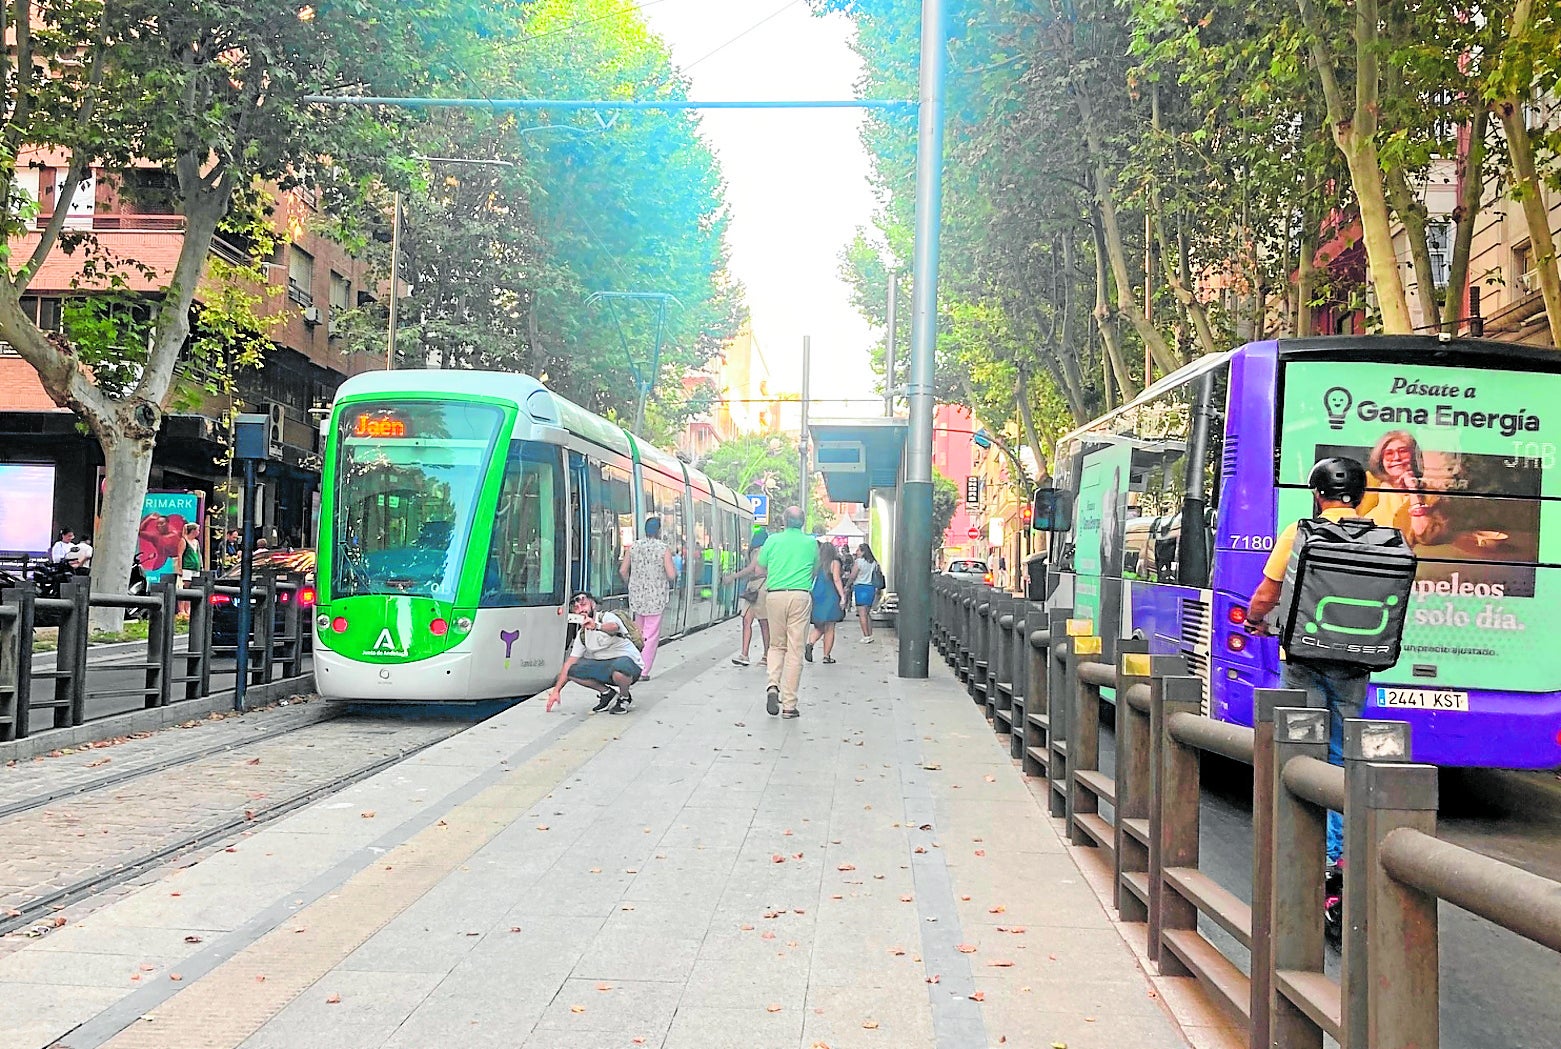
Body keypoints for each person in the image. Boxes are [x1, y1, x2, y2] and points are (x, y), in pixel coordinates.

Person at [1245, 457, 1373, 874]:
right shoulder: (1383, 538)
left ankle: (1301, 846)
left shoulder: (1300, 533)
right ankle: (1337, 853)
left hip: (1303, 657)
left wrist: (1255, 621)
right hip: (1355, 662)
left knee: (1299, 746)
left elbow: (1267, 593)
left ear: (1318, 495)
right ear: (1361, 496)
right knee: (1343, 753)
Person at [756, 505, 817, 718]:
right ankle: (789, 705)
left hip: (775, 595)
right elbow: (814, 570)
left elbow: (759, 568)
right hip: (800, 596)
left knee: (776, 645)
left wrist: (777, 572)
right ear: (803, 522)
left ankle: (773, 684)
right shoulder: (811, 543)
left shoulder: (772, 541)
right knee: (795, 650)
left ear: (784, 521)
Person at [545, 591, 643, 715]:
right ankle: (607, 694)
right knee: (572, 670)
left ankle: (625, 697)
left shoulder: (606, 617)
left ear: (593, 605)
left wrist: (596, 626)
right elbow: (570, 662)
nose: (581, 610)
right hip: (606, 668)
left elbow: (614, 627)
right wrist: (556, 691)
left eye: (583, 605)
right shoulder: (582, 634)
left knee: (621, 666)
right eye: (576, 608)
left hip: (629, 666)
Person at [1362, 430, 1445, 544]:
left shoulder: (1431, 495)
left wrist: (1412, 489)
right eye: (1389, 453)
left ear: (1414, 457)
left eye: (1403, 451)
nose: (1396, 457)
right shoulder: (1369, 485)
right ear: (1381, 460)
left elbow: (1424, 535)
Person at [620, 516, 675, 679]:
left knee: (638, 632)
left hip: (637, 596)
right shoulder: (663, 549)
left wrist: (631, 583)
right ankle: (643, 670)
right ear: (658, 531)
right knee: (651, 635)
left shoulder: (634, 547)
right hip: (656, 598)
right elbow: (671, 574)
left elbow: (623, 570)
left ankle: (633, 664)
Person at [727, 530, 771, 667]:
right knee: (749, 620)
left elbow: (751, 568)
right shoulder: (758, 551)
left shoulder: (761, 550)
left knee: (762, 622)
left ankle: (766, 655)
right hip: (753, 587)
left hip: (761, 587)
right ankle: (745, 654)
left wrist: (733, 576)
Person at [805, 541, 847, 664]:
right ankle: (826, 656)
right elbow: (837, 579)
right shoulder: (834, 563)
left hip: (818, 595)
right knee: (830, 627)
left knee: (819, 626)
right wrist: (842, 596)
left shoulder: (817, 564)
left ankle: (810, 643)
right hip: (830, 595)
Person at [852, 542, 881, 642]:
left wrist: (847, 585)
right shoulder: (874, 563)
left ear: (863, 552)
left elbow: (853, 575)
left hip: (860, 588)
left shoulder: (859, 562)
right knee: (867, 613)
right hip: (871, 588)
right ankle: (870, 634)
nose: (856, 552)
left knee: (862, 613)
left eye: (858, 550)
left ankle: (865, 636)